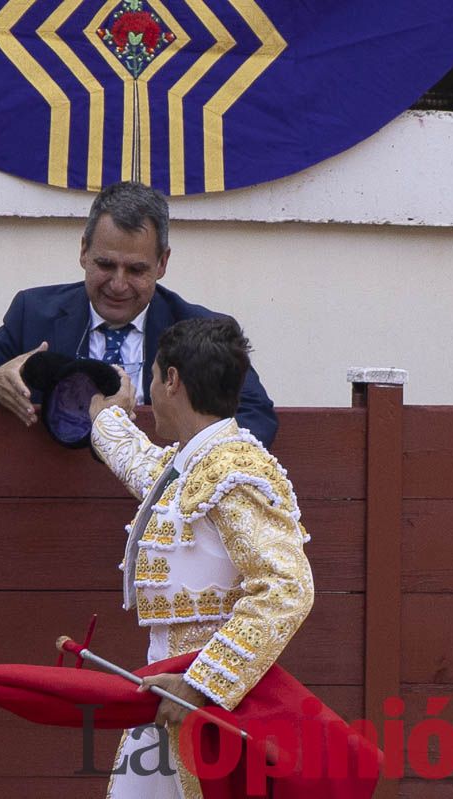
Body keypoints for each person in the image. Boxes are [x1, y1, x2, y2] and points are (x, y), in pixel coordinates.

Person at [87, 317, 314, 798]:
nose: (149, 394)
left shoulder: (235, 471)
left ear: (172, 380)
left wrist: (203, 683)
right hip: (165, 697)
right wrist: (107, 419)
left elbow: (286, 587)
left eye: (152, 378)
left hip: (211, 707)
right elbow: (147, 469)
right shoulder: (199, 464)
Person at [0, 181, 279, 446]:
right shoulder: (34, 314)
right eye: (105, 265)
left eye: (136, 270)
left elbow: (257, 418)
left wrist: (182, 468)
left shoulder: (202, 330)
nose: (118, 284)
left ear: (162, 264)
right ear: (83, 251)